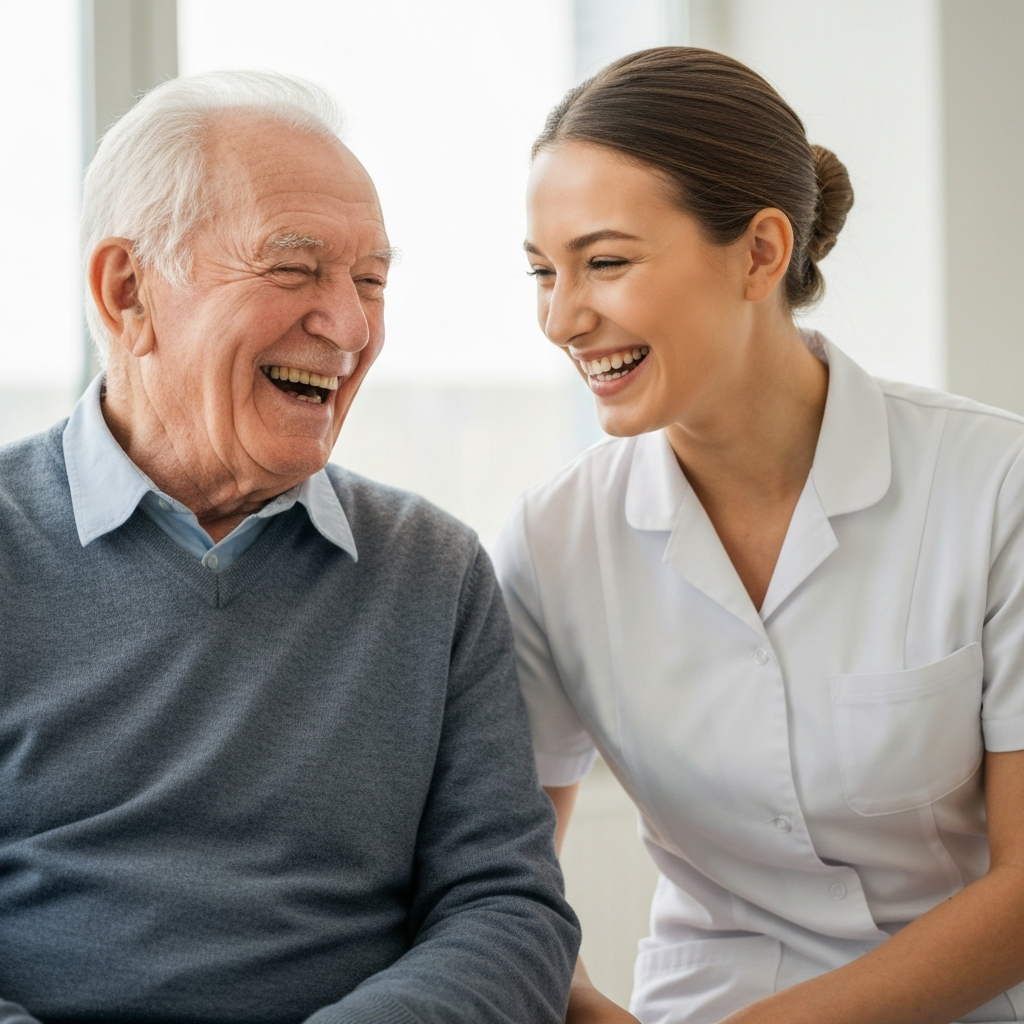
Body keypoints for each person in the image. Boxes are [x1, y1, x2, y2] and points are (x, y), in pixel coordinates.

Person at [0, 70, 579, 1024]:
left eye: (370, 282)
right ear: (127, 291)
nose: (348, 326)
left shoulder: (434, 572)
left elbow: (508, 911)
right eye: (294, 267)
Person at [493, 46, 1024, 1024]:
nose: (564, 317)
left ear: (761, 252)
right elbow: (496, 884)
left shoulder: (995, 487)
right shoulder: (553, 538)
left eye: (605, 261)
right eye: (541, 272)